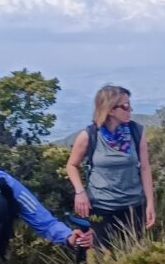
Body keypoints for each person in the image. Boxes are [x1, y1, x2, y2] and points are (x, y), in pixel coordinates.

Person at [65, 85, 157, 249]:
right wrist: (80, 192)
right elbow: (72, 165)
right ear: (110, 109)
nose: (130, 109)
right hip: (101, 208)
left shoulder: (136, 132)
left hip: (133, 207)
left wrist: (150, 203)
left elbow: (145, 168)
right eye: (125, 106)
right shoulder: (89, 135)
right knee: (103, 257)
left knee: (135, 256)